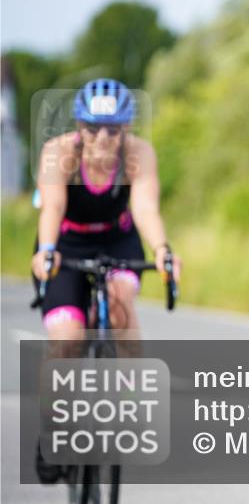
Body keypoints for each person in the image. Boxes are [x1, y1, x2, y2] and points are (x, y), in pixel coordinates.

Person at [31, 78, 182, 483]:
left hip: (117, 238)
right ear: (79, 127)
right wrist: (47, 250)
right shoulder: (59, 153)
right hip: (67, 241)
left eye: (113, 130)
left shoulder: (138, 154)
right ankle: (52, 428)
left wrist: (163, 250)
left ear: (125, 129)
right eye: (92, 128)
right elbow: (52, 207)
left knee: (119, 303)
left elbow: (145, 208)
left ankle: (130, 400)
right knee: (66, 337)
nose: (102, 138)